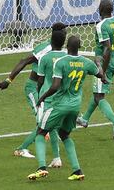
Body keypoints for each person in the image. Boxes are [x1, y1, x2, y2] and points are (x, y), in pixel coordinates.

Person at [28, 35, 106, 181]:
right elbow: (101, 75)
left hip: (59, 104)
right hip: (75, 106)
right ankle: (77, 170)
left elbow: (55, 85)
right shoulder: (86, 62)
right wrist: (98, 63)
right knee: (64, 135)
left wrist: (42, 97)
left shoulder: (61, 62)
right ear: (79, 47)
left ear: (67, 47)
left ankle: (41, 167)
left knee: (41, 131)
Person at [0, 22, 66, 159]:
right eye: (64, 32)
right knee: (43, 123)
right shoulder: (45, 48)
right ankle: (21, 149)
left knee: (49, 122)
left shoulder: (59, 50)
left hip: (46, 90)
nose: (66, 34)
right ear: (58, 33)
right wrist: (8, 80)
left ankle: (55, 155)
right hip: (34, 89)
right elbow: (24, 61)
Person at [77, 0, 114, 140]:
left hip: (104, 63)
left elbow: (107, 48)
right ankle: (84, 119)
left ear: (100, 10)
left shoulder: (101, 26)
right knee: (98, 92)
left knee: (99, 96)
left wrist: (102, 71)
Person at [34, 29, 68, 169]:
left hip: (47, 98)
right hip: (63, 97)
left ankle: (41, 166)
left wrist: (39, 94)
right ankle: (57, 158)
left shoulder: (45, 58)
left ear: (51, 41)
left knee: (40, 130)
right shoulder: (66, 56)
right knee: (53, 128)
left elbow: (40, 80)